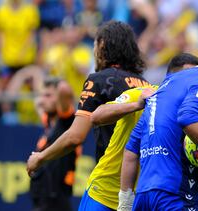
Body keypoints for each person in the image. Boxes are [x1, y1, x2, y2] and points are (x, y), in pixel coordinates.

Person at [120, 23, 198, 211]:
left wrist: (125, 204)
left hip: (144, 195)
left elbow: (132, 148)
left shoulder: (167, 83)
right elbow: (188, 116)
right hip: (177, 194)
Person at [79, 53, 198, 211]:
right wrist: (136, 105)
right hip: (104, 193)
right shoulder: (142, 94)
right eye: (190, 78)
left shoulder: (194, 108)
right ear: (172, 77)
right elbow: (96, 116)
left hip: (142, 200)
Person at [26, 20, 149, 175]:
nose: (94, 51)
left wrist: (40, 157)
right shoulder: (145, 84)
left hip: (109, 179)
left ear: (102, 45)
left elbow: (75, 137)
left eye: (94, 45)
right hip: (142, 178)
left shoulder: (99, 81)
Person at [29, 78, 79, 211]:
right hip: (42, 198)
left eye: (48, 95)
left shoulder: (67, 121)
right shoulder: (49, 122)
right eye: (42, 95)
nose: (43, 99)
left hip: (56, 198)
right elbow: (38, 105)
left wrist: (59, 88)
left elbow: (65, 90)